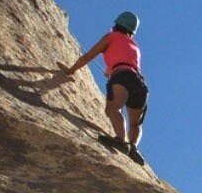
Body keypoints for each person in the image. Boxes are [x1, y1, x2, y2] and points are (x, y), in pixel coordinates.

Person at [62, 11, 149, 165]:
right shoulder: (135, 46)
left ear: (116, 25)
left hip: (122, 76)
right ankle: (133, 147)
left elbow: (88, 56)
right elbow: (127, 62)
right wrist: (111, 70)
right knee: (135, 123)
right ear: (131, 32)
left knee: (113, 109)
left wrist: (71, 70)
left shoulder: (111, 36)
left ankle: (121, 140)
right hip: (140, 84)